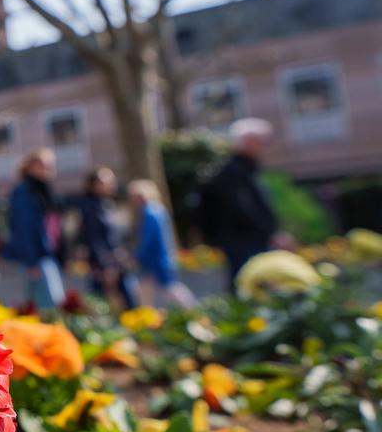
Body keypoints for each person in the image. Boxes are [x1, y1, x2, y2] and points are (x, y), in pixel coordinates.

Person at [199, 118, 284, 290]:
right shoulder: (234, 173)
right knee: (249, 286)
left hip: (247, 239)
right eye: (261, 142)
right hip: (244, 241)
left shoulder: (245, 170)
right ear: (247, 142)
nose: (264, 147)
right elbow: (242, 208)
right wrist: (269, 231)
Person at [3, 148, 65, 309]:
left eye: (51, 165)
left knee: (37, 305)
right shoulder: (24, 191)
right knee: (51, 305)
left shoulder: (43, 189)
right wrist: (31, 262)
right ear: (31, 167)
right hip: (36, 258)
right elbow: (24, 227)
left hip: (46, 255)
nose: (49, 169)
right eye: (44, 165)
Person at [128, 180, 197, 308]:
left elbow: (148, 239)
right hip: (161, 257)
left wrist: (136, 255)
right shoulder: (158, 209)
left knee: (170, 288)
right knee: (144, 288)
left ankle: (192, 309)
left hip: (156, 258)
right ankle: (145, 316)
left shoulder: (149, 212)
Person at [78, 166, 137, 310]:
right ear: (93, 185)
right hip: (104, 263)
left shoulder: (106, 204)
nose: (111, 183)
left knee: (119, 299)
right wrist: (105, 266)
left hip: (115, 260)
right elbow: (94, 238)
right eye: (105, 181)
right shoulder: (91, 207)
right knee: (100, 301)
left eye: (111, 180)